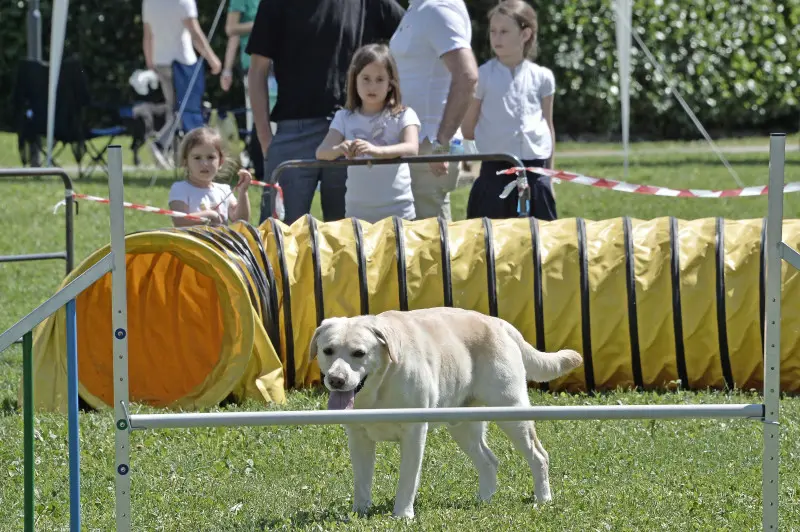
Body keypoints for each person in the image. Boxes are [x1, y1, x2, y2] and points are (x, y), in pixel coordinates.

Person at [246, 0, 406, 225]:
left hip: (352, 132)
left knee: (349, 240)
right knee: (277, 238)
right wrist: (265, 140)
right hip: (294, 133)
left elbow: (414, 33)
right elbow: (257, 69)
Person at [461, 0, 557, 221]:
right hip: (495, 175)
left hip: (535, 174)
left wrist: (549, 178)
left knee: (538, 245)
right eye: (493, 31)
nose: (496, 38)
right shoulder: (482, 76)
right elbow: (468, 127)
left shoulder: (542, 77)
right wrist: (470, 169)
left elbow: (548, 128)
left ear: (525, 34)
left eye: (504, 31)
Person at [389, 0, 479, 221]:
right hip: (416, 143)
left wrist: (441, 144)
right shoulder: (419, 8)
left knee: (430, 244)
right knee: (417, 241)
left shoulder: (437, 9)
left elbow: (467, 76)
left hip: (429, 145)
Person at [316, 44, 420, 223]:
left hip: (399, 214)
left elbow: (412, 148)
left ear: (390, 84)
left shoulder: (404, 114)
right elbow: (322, 152)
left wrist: (376, 151)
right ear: (354, 80)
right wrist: (340, 148)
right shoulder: (344, 117)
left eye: (380, 79)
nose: (372, 86)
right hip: (357, 215)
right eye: (366, 78)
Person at [142, 0, 222, 167]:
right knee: (185, 110)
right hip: (182, 62)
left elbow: (148, 34)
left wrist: (150, 62)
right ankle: (161, 143)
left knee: (173, 109)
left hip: (160, 61)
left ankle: (174, 154)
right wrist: (212, 58)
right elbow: (194, 32)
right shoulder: (183, 1)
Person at [220, 0, 276, 170]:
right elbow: (231, 30)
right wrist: (227, 70)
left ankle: (274, 165)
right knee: (257, 118)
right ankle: (260, 166)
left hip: (282, 64)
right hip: (253, 66)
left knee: (279, 119)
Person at [168, 127, 252, 227]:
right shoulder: (180, 189)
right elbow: (180, 221)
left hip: (220, 242)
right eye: (197, 158)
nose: (204, 163)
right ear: (186, 162)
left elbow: (241, 221)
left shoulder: (224, 190)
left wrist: (243, 192)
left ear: (220, 162)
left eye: (210, 157)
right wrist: (209, 215)